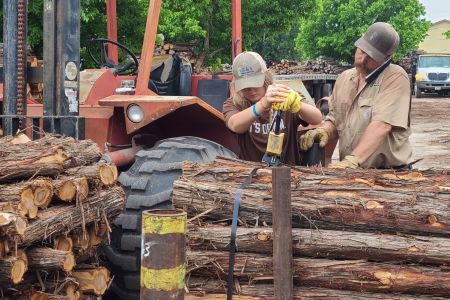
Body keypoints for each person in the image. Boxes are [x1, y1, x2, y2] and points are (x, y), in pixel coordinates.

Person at [299, 22, 413, 169]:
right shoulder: (344, 78)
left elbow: (381, 125)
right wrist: (324, 131)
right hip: (353, 173)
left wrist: (353, 160)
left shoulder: (395, 78)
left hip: (389, 174)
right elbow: (336, 120)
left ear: (388, 57)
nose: (363, 59)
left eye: (372, 56)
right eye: (362, 51)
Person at [222, 51, 323, 165]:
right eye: (245, 87)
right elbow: (234, 125)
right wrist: (262, 104)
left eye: (255, 84)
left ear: (266, 78)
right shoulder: (234, 103)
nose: (251, 90)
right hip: (251, 174)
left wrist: (298, 105)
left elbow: (317, 118)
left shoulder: (284, 96)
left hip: (288, 172)